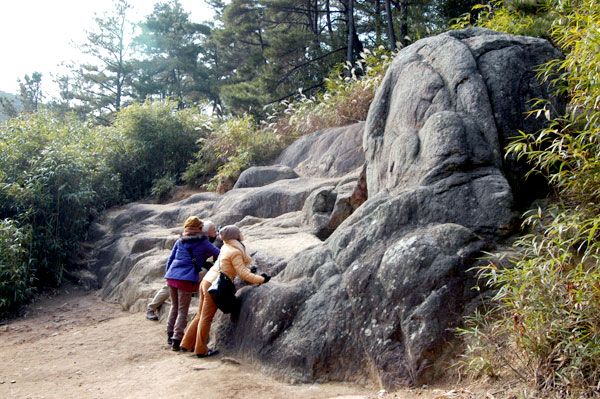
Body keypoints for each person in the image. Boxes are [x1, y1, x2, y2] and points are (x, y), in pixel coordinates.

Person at [180, 225, 270, 357]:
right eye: (239, 232)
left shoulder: (226, 246)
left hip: (207, 281)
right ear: (235, 236)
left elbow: (233, 267)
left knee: (200, 316)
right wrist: (261, 279)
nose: (241, 233)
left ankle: (186, 343)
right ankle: (200, 349)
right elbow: (243, 274)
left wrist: (248, 271)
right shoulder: (235, 250)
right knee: (206, 318)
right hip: (215, 285)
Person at [146, 220, 222, 321]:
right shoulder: (200, 240)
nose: (216, 231)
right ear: (205, 231)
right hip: (184, 270)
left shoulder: (200, 238)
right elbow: (217, 252)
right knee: (171, 288)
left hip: (186, 269)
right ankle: (151, 308)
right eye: (213, 229)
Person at [164, 216, 220, 351]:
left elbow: (171, 259)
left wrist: (167, 274)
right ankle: (177, 339)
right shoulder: (203, 242)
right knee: (183, 309)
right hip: (186, 278)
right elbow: (218, 253)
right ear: (199, 228)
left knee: (174, 306)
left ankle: (170, 334)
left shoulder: (180, 241)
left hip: (172, 276)